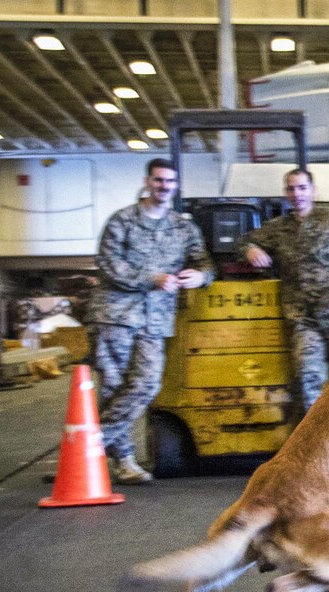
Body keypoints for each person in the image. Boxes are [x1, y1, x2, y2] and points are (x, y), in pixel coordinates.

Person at [86, 158, 215, 483]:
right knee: (114, 389)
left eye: (170, 182)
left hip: (154, 322)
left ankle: (90, 445)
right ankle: (124, 461)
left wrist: (199, 276)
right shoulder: (122, 221)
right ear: (148, 182)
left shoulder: (183, 227)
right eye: (159, 181)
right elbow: (108, 265)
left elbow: (205, 262)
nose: (164, 186)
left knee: (146, 384)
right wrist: (152, 278)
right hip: (114, 316)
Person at [238, 169, 329, 412]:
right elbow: (242, 241)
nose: (297, 194)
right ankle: (320, 444)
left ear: (313, 191)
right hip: (304, 320)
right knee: (309, 383)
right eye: (291, 189)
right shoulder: (278, 228)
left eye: (302, 188)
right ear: (286, 193)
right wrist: (251, 250)